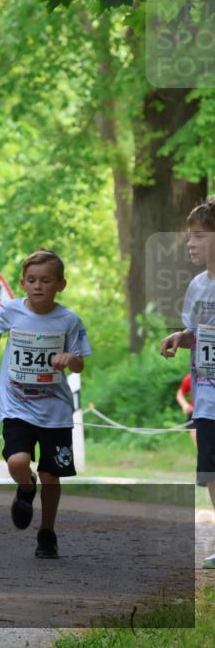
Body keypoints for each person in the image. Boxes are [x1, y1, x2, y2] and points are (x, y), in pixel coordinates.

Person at [0, 249, 92, 559]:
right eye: (32, 280)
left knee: (52, 476)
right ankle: (27, 487)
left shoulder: (69, 320)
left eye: (46, 280)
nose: (38, 286)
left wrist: (70, 359)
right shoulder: (11, 311)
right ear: (23, 283)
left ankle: (47, 533)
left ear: (61, 285)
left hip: (55, 410)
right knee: (17, 462)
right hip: (17, 404)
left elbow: (80, 364)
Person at [160, 196, 215, 570]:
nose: (191, 244)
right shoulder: (197, 286)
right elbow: (197, 331)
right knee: (210, 470)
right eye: (189, 236)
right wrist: (182, 337)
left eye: (199, 236)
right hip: (207, 398)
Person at [176, 372, 198, 446]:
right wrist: (185, 405)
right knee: (201, 448)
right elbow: (180, 394)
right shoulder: (191, 377)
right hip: (195, 415)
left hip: (211, 415)